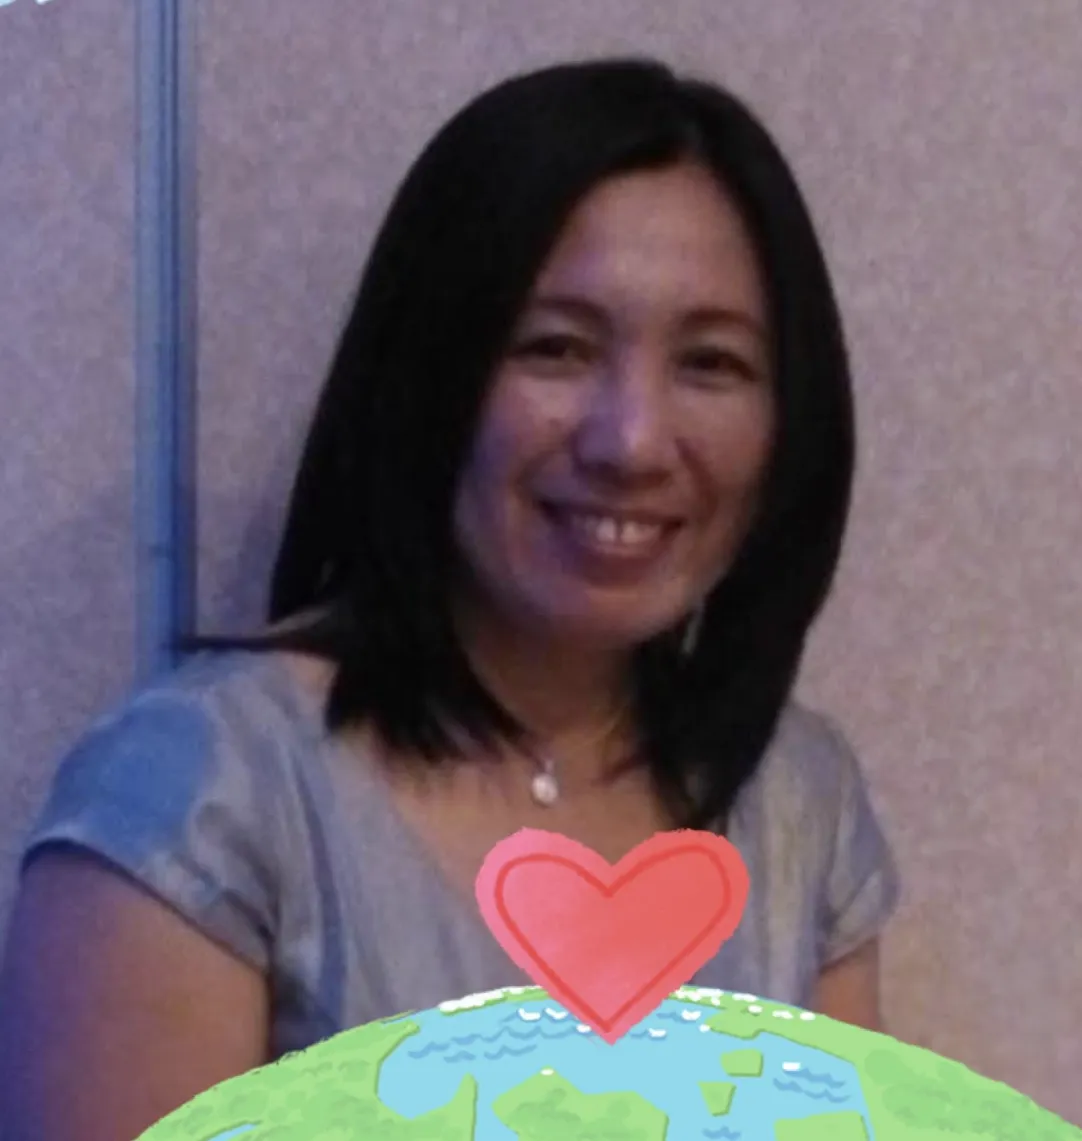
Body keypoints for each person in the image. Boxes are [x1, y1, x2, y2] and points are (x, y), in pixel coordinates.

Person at [0, 56, 899, 1140]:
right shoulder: (202, 796)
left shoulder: (796, 802)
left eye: (710, 363)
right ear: (427, 373)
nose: (630, 440)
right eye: (555, 348)